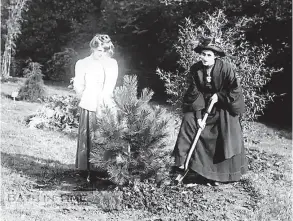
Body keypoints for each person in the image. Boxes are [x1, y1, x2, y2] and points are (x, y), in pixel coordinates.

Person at [173, 37, 247, 186]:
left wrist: (219, 96)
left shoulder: (226, 69)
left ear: (215, 56)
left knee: (224, 127)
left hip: (224, 106)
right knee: (189, 120)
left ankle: (219, 174)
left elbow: (234, 90)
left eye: (209, 55)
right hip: (202, 106)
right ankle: (183, 163)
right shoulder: (196, 69)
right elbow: (194, 93)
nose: (205, 58)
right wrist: (199, 117)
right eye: (203, 54)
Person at [73, 34, 118, 182]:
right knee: (89, 137)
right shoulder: (83, 63)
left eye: (104, 50)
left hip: (106, 106)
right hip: (89, 104)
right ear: (92, 48)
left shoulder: (112, 64)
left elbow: (109, 87)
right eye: (99, 50)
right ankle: (86, 170)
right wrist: (87, 99)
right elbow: (78, 86)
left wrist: (102, 105)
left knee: (104, 137)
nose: (102, 54)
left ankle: (104, 170)